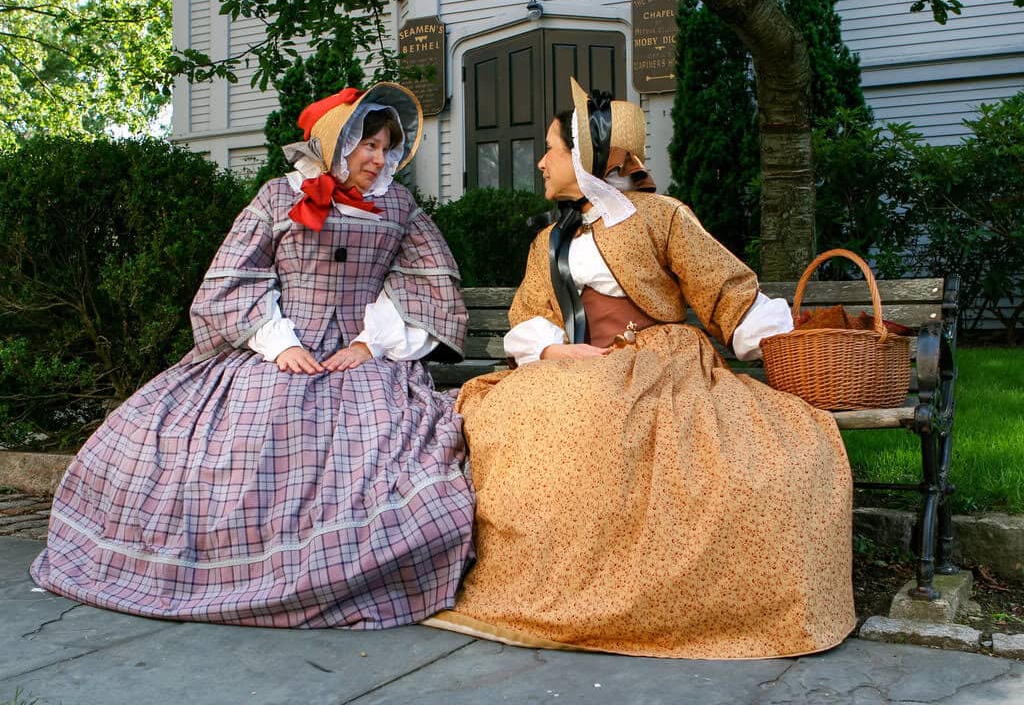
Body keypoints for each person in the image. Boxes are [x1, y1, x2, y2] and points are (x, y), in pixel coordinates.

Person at [425, 79, 855, 658]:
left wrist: (785, 342)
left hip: (657, 361)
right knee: (515, 418)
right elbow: (528, 314)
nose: (543, 162)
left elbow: (724, 288)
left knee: (648, 429)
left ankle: (637, 598)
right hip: (572, 364)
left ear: (587, 155)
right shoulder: (551, 239)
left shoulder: (661, 217)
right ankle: (539, 586)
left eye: (552, 148)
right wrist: (556, 351)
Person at [30, 83, 476, 629]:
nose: (378, 158)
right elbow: (232, 279)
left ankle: (334, 567)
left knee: (378, 437)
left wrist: (372, 342)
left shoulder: (399, 207)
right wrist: (280, 342)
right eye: (368, 144)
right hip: (277, 348)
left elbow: (430, 288)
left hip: (364, 358)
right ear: (337, 143)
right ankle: (224, 567)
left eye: (386, 147)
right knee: (247, 423)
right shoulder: (276, 196)